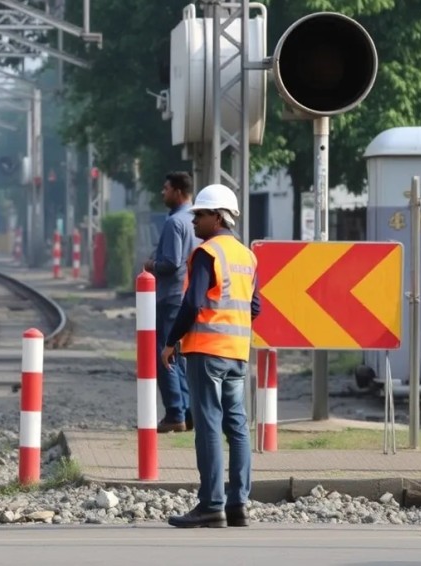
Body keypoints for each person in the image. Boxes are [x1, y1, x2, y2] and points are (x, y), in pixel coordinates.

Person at [160, 183, 260, 529]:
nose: (193, 221)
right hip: (237, 353)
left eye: (199, 215)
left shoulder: (208, 253)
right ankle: (238, 504)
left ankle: (211, 505)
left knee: (208, 426)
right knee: (237, 426)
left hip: (206, 352)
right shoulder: (247, 255)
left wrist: (171, 340)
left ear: (218, 217)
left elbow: (193, 302)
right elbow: (255, 306)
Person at [143, 172, 200, 433]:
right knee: (180, 355)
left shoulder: (175, 223)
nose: (162, 193)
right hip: (188, 295)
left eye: (165, 188)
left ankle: (174, 412)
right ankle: (188, 412)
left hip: (171, 296)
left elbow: (172, 263)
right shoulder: (197, 219)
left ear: (178, 191)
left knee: (164, 354)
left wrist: (151, 265)